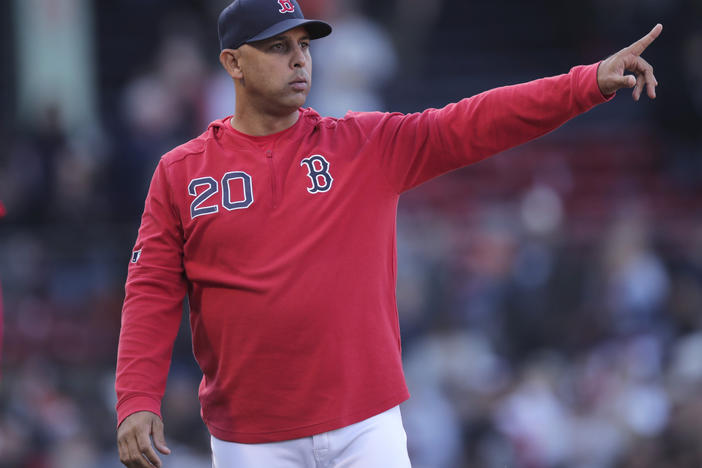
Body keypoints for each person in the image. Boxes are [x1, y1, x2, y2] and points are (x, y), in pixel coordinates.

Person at [114, 0, 662, 466]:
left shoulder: (362, 145)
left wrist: (586, 83)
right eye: (278, 47)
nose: (299, 57)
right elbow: (152, 289)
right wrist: (137, 398)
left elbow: (475, 122)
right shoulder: (181, 171)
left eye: (304, 44)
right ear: (232, 63)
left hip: (365, 425)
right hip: (250, 437)